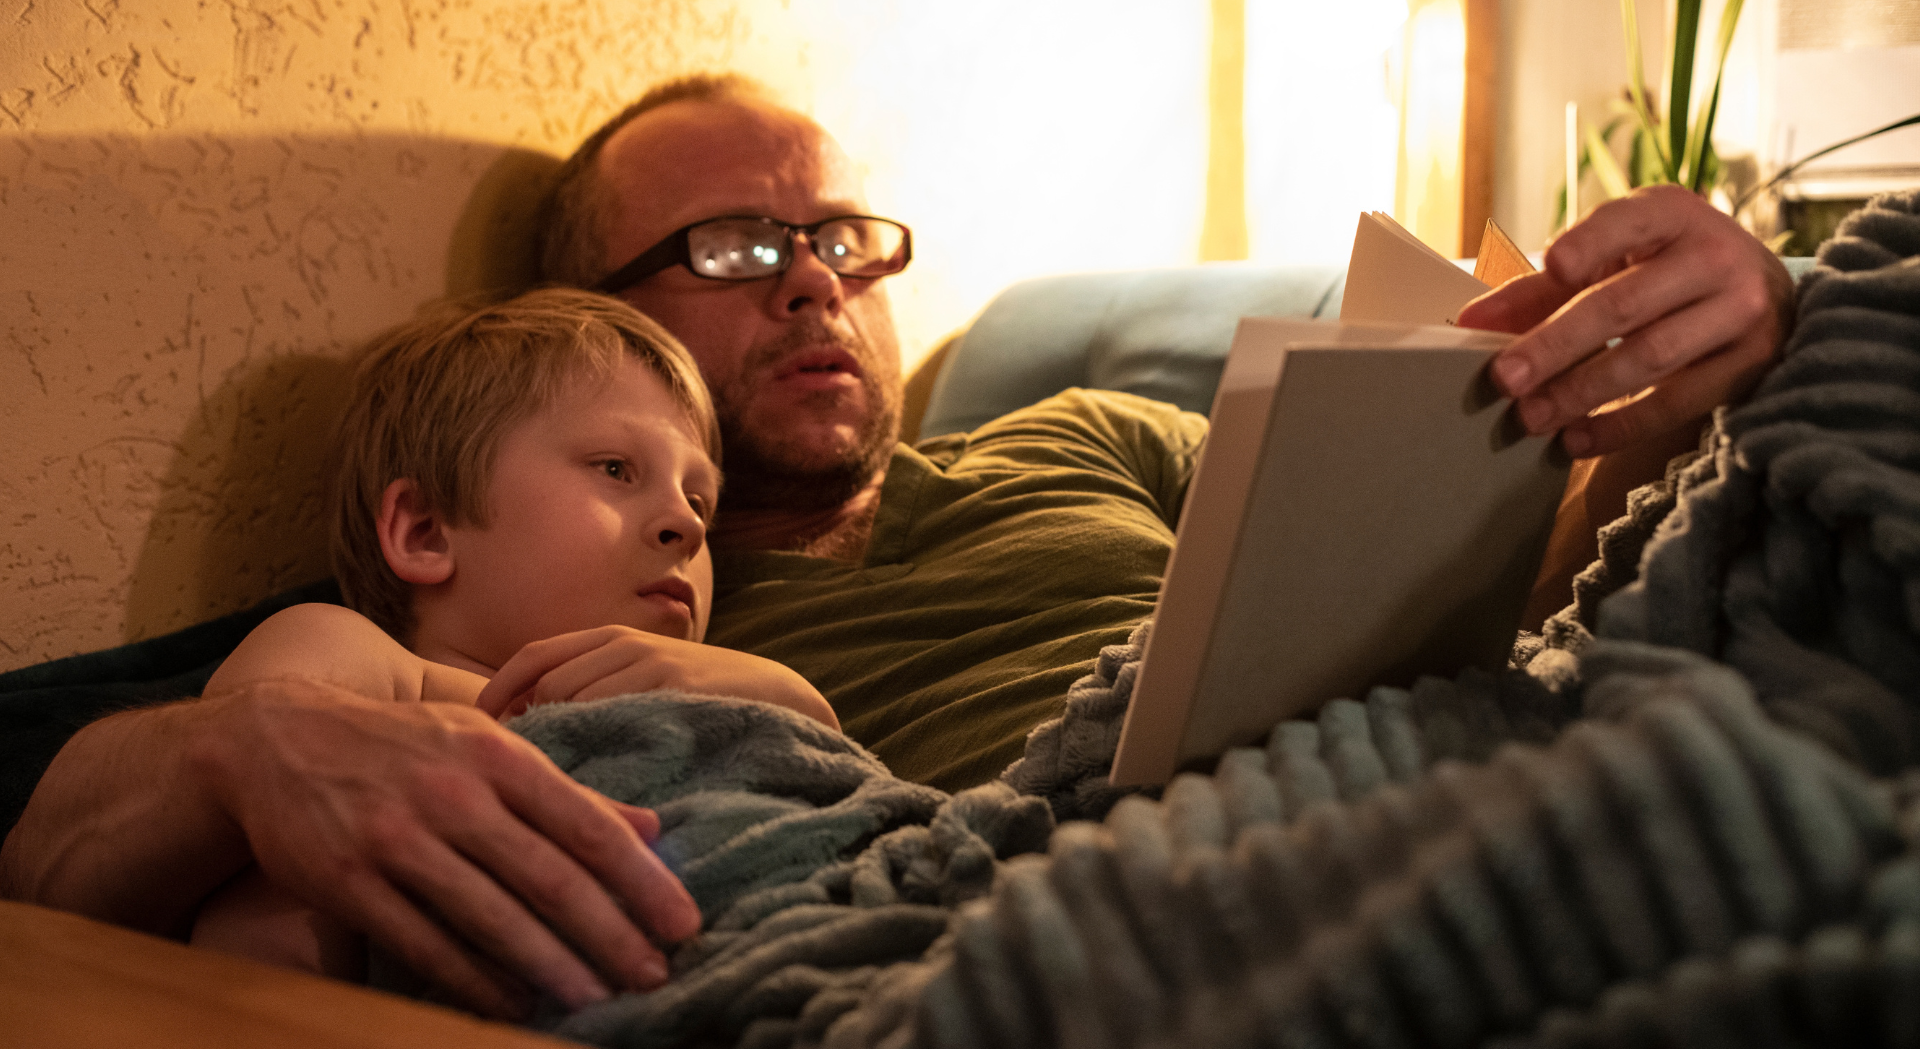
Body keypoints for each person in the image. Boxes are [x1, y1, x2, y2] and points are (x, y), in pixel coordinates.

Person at [0, 72, 1795, 1016]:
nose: (809, 277)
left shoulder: (1091, 432)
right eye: (725, 249)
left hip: (1416, 769)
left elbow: (1529, 598)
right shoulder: (548, 603)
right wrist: (249, 742)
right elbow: (116, 822)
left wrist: (1669, 408)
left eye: (839, 237)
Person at [182, 287, 837, 993]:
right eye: (616, 468)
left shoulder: (720, 690)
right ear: (425, 531)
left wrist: (794, 699)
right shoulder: (365, 665)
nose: (689, 523)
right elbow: (272, 850)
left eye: (700, 498)